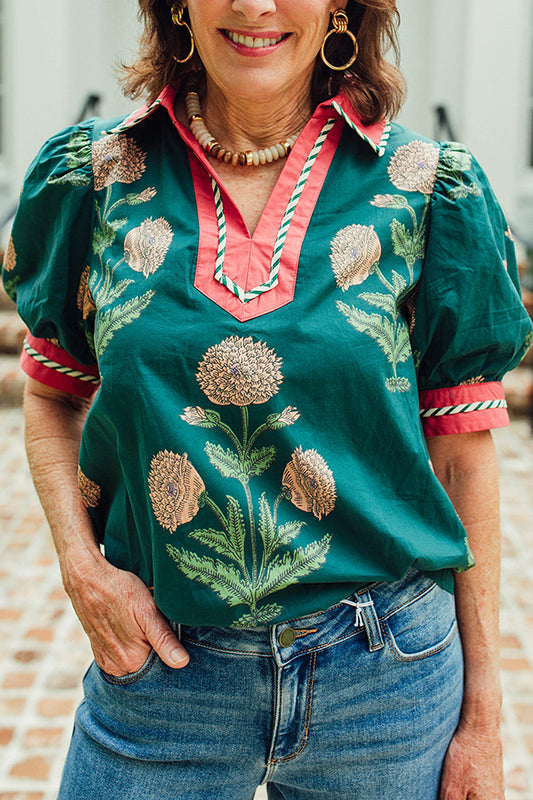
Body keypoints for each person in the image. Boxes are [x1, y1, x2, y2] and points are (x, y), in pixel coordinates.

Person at [3, 1, 533, 797]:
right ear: (177, 5)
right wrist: (81, 567)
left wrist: (484, 716)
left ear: (339, 9)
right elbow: (51, 397)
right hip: (163, 678)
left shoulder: (423, 191)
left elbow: (460, 451)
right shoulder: (97, 178)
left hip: (383, 683)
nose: (256, 6)